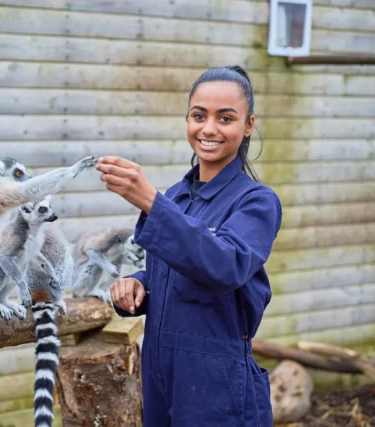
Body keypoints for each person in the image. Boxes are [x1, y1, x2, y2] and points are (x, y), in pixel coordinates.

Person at [95, 65, 282, 426]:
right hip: (160, 373)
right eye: (199, 115)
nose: (209, 128)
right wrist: (139, 284)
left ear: (248, 126)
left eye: (225, 118)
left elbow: (224, 265)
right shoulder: (176, 198)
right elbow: (173, 274)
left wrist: (151, 201)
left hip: (217, 384)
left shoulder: (257, 202)